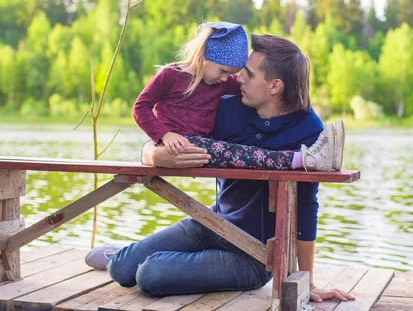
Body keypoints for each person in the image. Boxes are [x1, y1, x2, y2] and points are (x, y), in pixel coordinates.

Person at [85, 33, 354, 304]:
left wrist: (308, 279)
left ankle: (146, 258)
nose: (237, 79)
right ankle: (120, 256)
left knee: (149, 275)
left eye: (248, 74)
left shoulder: (309, 129)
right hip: (212, 222)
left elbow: (307, 206)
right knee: (122, 269)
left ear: (274, 86)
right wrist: (151, 153)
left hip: (252, 256)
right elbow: (175, 133)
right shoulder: (227, 107)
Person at [132, 21, 343, 172]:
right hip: (183, 147)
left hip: (202, 148)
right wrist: (160, 140)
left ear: (275, 86)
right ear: (203, 58)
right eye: (224, 71)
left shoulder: (307, 125)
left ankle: (305, 159)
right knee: (237, 153)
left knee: (237, 153)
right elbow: (140, 107)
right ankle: (301, 159)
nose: (232, 80)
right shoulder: (172, 76)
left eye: (243, 74)